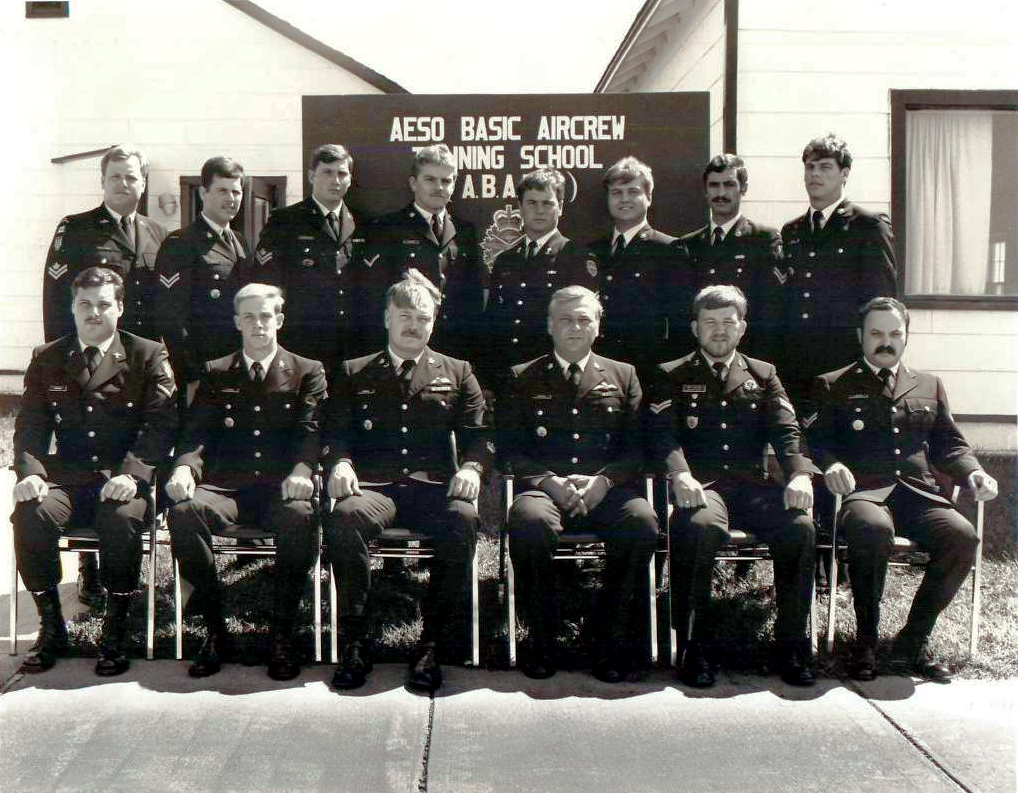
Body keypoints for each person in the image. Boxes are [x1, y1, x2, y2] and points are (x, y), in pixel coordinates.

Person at [808, 297, 998, 683]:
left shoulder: (929, 384)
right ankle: (866, 640)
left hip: (918, 493)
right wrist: (833, 464)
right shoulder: (832, 384)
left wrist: (973, 473)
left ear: (906, 336)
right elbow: (817, 441)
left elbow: (950, 444)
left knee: (962, 537)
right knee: (872, 530)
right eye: (876, 333)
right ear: (860, 336)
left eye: (895, 333)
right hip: (863, 494)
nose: (886, 341)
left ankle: (913, 640)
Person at [322, 271, 492, 692]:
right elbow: (336, 432)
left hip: (432, 488)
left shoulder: (457, 371)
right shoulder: (354, 371)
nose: (414, 325)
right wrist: (341, 463)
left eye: (423, 317)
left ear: (434, 322)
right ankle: (356, 642)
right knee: (345, 517)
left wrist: (471, 469)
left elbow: (480, 436)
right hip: (375, 488)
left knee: (462, 519)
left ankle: (432, 644)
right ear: (386, 318)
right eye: (405, 316)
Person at [645, 284, 817, 688]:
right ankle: (694, 647)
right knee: (699, 528)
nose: (719, 331)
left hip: (752, 486)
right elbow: (661, 435)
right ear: (694, 328)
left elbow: (787, 431)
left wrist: (800, 473)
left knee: (800, 528)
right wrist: (680, 474)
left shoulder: (763, 374)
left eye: (728, 322)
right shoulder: (671, 374)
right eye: (710, 323)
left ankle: (791, 645)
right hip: (703, 485)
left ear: (742, 328)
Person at [12, 267, 177, 676]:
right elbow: (31, 424)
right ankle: (52, 628)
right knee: (31, 514)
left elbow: (161, 424)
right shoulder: (48, 357)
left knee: (120, 520)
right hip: (67, 477)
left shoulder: (146, 354)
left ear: (120, 308)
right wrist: (29, 473)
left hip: (123, 479)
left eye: (104, 304)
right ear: (72, 307)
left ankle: (115, 631)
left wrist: (133, 475)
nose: (93, 313)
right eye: (84, 304)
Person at [164, 283, 327, 681]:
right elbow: (197, 433)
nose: (258, 324)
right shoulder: (217, 372)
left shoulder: (307, 371)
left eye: (266, 316)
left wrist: (303, 472)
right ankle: (216, 631)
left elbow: (311, 431)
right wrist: (185, 467)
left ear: (280, 320)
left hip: (282, 485)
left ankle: (281, 634)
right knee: (184, 513)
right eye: (249, 316)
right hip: (229, 488)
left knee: (299, 516)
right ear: (236, 322)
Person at [502, 286, 658, 683]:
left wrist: (605, 480)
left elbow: (638, 449)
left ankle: (611, 639)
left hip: (605, 490)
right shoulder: (522, 377)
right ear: (550, 326)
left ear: (598, 326)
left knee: (641, 521)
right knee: (528, 521)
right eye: (566, 319)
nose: (575, 326)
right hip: (544, 491)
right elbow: (509, 448)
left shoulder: (624, 375)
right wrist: (548, 482)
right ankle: (542, 638)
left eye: (584, 318)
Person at [42, 144, 169, 605]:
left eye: (132, 178)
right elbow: (58, 301)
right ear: (102, 181)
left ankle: (125, 558)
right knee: (85, 454)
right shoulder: (75, 230)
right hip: (87, 367)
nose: (124, 185)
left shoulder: (157, 234)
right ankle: (90, 566)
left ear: (143, 182)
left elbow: (163, 309)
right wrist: (63, 363)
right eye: (116, 177)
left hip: (138, 368)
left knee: (133, 457)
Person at [780, 134, 898, 407]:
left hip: (846, 362)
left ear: (844, 173)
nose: (814, 174)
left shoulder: (868, 226)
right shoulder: (792, 231)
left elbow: (882, 302)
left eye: (824, 167)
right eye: (809, 167)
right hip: (798, 364)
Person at [254, 144, 383, 369]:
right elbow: (268, 287)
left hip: (354, 349)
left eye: (342, 173)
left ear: (350, 179)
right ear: (312, 176)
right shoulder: (285, 221)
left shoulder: (366, 224)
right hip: (303, 346)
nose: (335, 180)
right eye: (327, 172)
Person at [364, 143, 485, 361]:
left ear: (454, 185)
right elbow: (374, 298)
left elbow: (473, 301)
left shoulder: (465, 231)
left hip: (454, 351)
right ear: (413, 183)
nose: (439, 187)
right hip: (405, 348)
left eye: (446, 181)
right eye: (430, 179)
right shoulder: (388, 228)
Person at [481, 167, 594, 394]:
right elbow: (492, 325)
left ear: (560, 207)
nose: (539, 210)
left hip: (553, 379)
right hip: (507, 377)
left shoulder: (576, 257)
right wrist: (487, 379)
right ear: (521, 208)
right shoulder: (505, 260)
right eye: (532, 203)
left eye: (547, 203)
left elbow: (584, 326)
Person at [154, 157, 252, 399]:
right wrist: (190, 375)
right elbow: (171, 317)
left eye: (236, 192)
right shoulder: (181, 243)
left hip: (239, 366)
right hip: (203, 371)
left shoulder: (240, 241)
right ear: (203, 193)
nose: (231, 199)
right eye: (222, 191)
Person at [679, 154, 784, 363]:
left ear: (743, 189)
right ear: (705, 191)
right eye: (714, 185)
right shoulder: (688, 245)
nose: (721, 193)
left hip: (748, 359)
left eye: (729, 184)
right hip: (700, 361)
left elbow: (772, 310)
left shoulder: (763, 240)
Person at [588, 156, 686, 375]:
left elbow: (681, 324)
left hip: (646, 369)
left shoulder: (668, 249)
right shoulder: (593, 250)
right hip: (598, 369)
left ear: (649, 197)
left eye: (633, 191)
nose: (624, 199)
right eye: (616, 193)